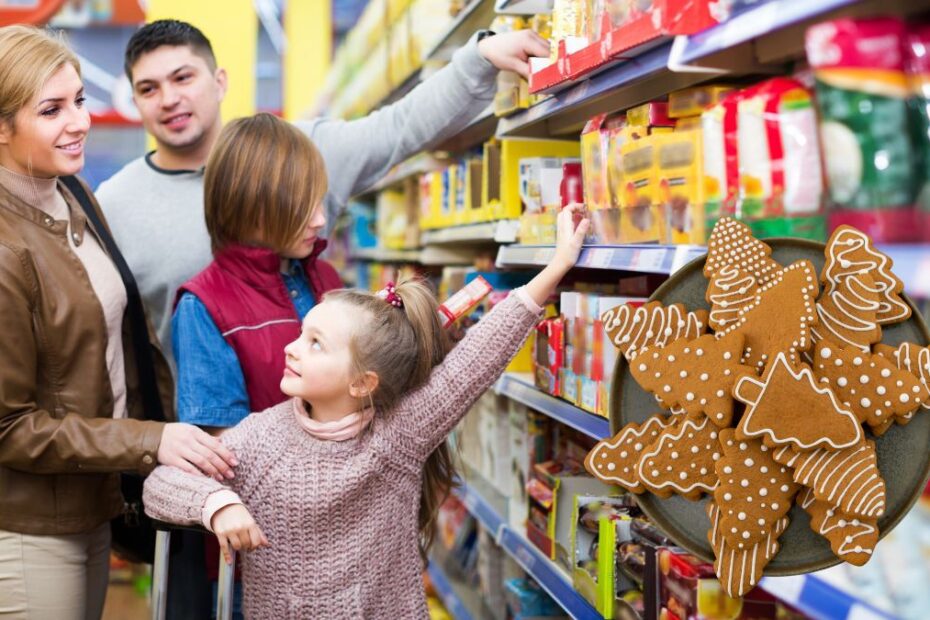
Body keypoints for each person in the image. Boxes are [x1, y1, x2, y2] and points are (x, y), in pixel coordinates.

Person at [143, 203, 589, 618]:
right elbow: (162, 484)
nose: (292, 349)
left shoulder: (398, 434)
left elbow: (476, 360)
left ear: (362, 382)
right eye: (301, 334)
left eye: (315, 344)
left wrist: (558, 264)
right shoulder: (261, 438)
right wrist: (217, 503)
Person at [95, 19, 550, 369]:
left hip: (330, 424)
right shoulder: (114, 204)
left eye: (183, 78)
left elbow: (399, 127)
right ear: (135, 103)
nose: (169, 98)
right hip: (204, 443)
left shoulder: (299, 152)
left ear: (220, 81)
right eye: (148, 89)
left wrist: (482, 56)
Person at [0, 25, 236, 620]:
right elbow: (9, 426)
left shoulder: (70, 193)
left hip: (92, 499)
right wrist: (149, 440)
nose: (79, 122)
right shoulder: (5, 245)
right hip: (27, 525)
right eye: (51, 110)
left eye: (79, 100)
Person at [172, 113, 340, 617]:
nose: (321, 220)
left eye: (321, 201)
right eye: (304, 205)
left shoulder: (326, 279)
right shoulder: (204, 306)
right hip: (266, 550)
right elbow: (224, 447)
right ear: (256, 207)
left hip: (345, 537)